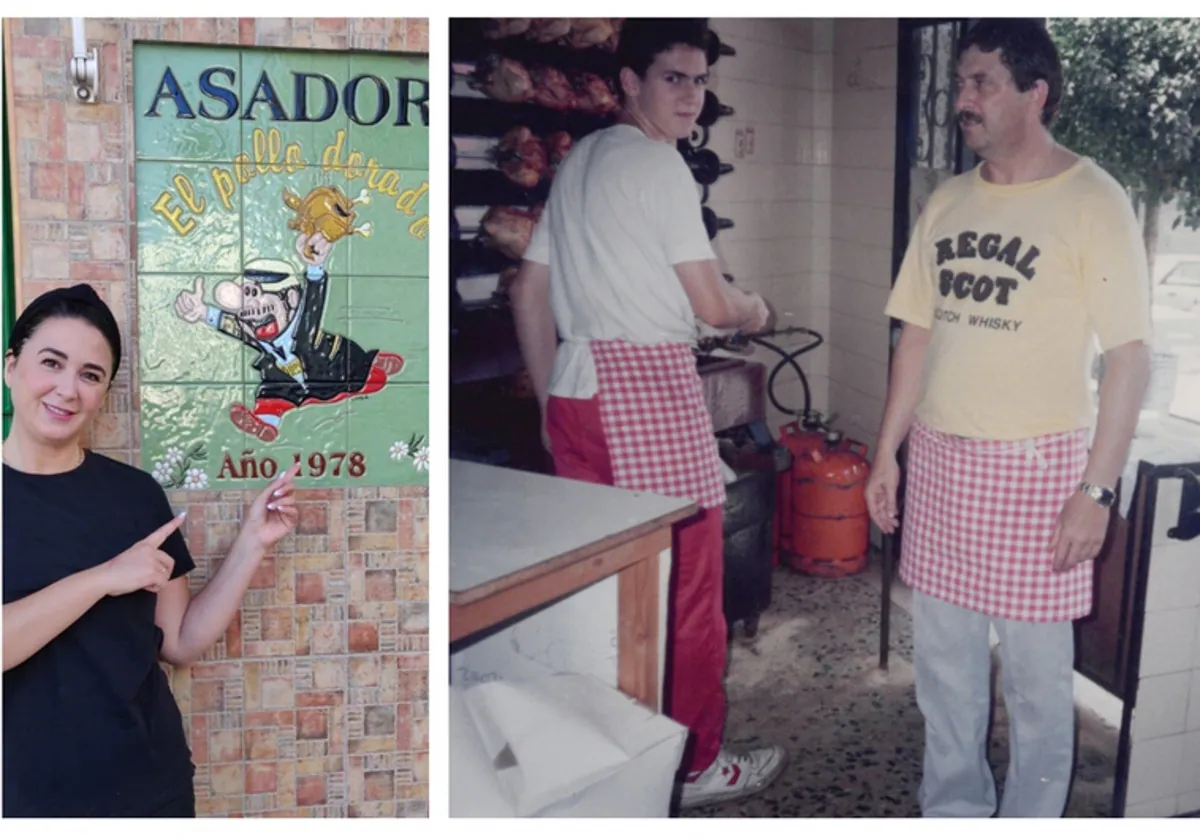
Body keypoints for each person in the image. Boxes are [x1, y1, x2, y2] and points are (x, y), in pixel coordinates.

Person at [865, 19, 1151, 818]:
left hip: (1037, 474)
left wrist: (1096, 492)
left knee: (1034, 687)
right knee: (945, 673)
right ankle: (953, 812)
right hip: (944, 465)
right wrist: (887, 455)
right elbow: (915, 336)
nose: (963, 100)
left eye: (981, 82)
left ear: (1036, 93)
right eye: (959, 83)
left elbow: (1129, 356)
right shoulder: (949, 201)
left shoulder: (1094, 198)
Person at [509, 18, 786, 808]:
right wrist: (754, 308)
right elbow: (710, 301)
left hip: (577, 391)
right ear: (629, 81)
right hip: (646, 391)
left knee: (600, 593)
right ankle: (694, 767)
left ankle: (612, 758)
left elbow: (530, 291)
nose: (692, 96)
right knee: (688, 595)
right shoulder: (662, 168)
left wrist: (546, 396)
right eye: (673, 77)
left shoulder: (582, 161)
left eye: (700, 80)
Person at [2, 284, 302, 817]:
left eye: (90, 375)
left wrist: (252, 543)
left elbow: (180, 641)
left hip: (149, 790)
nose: (68, 389)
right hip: (26, 802)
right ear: (11, 366)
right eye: (52, 362)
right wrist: (103, 578)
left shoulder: (134, 494)